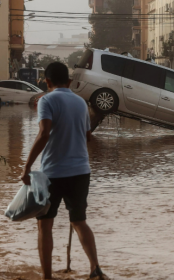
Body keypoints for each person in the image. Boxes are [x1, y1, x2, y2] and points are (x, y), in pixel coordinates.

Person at [20, 62, 107, 280]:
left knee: (44, 225)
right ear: (69, 82)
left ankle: (47, 277)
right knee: (79, 221)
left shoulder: (46, 100)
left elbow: (43, 133)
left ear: (46, 82)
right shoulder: (80, 102)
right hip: (81, 171)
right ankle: (95, 269)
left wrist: (27, 166)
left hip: (53, 173)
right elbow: (87, 136)